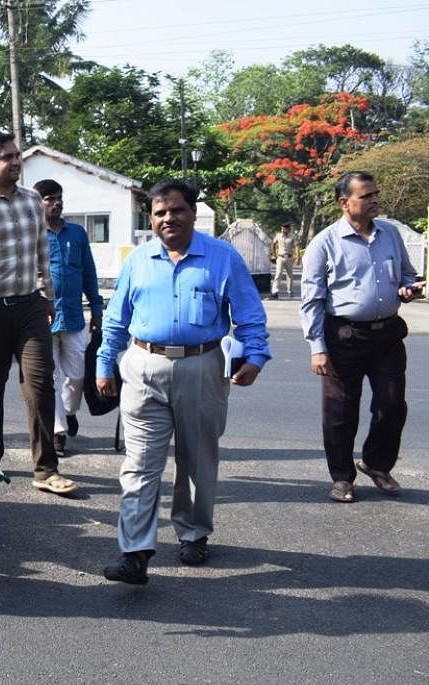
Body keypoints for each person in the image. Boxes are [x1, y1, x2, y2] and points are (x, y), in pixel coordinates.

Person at [96, 179, 270, 584]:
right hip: (143, 366)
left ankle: (193, 534)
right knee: (139, 465)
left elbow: (249, 313)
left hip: (202, 365)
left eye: (176, 210)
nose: (168, 218)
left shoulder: (223, 258)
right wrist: (105, 363)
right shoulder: (137, 261)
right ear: (151, 218)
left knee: (196, 458)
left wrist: (256, 356)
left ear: (192, 212)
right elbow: (116, 319)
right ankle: (134, 553)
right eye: (159, 212)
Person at [0, 131, 75, 495]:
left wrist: (48, 297)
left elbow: (42, 253)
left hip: (30, 307)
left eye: (17, 155)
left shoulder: (32, 201)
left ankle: (45, 469)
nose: (16, 162)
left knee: (40, 384)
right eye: (7, 157)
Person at [299, 171, 424, 503]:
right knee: (340, 412)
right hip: (343, 337)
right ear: (345, 202)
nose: (374, 200)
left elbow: (407, 274)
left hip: (387, 336)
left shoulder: (391, 235)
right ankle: (342, 477)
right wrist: (317, 348)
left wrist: (407, 288)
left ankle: (375, 463)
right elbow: (311, 299)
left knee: (392, 404)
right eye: (366, 195)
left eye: (375, 194)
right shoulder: (324, 243)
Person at [33, 179, 102, 457]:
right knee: (48, 377)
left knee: (77, 374)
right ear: (37, 203)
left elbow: (89, 272)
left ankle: (70, 412)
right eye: (49, 198)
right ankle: (58, 432)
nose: (56, 203)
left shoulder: (77, 233)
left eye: (59, 197)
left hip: (73, 316)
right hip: (41, 318)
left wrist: (96, 309)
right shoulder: (32, 235)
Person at [270, 222, 300, 300]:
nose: (283, 230)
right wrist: (274, 255)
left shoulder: (293, 236)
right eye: (282, 228)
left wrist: (298, 257)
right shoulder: (278, 236)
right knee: (278, 274)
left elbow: (297, 246)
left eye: (285, 229)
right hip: (280, 257)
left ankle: (290, 291)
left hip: (289, 258)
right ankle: (275, 292)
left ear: (288, 229)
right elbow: (273, 244)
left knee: (290, 275)